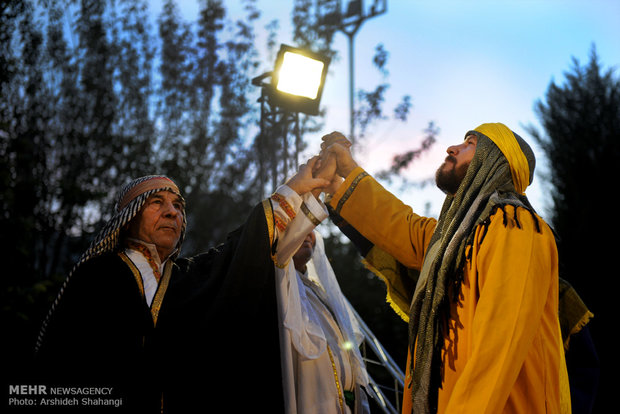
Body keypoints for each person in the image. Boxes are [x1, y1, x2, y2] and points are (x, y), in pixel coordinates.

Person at [34, 158, 334, 413]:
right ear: (128, 218)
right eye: (156, 203)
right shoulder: (97, 277)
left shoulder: (183, 278)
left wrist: (296, 192)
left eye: (178, 206)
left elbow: (235, 257)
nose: (172, 212)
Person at [319, 123, 582, 413]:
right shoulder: (454, 239)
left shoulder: (516, 227)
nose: (452, 148)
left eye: (470, 143)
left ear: (493, 161)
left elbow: (499, 347)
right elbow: (399, 225)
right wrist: (345, 173)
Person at [277, 229, 370, 413]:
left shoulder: (318, 291)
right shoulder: (280, 288)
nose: (308, 232)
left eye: (311, 228)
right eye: (296, 225)